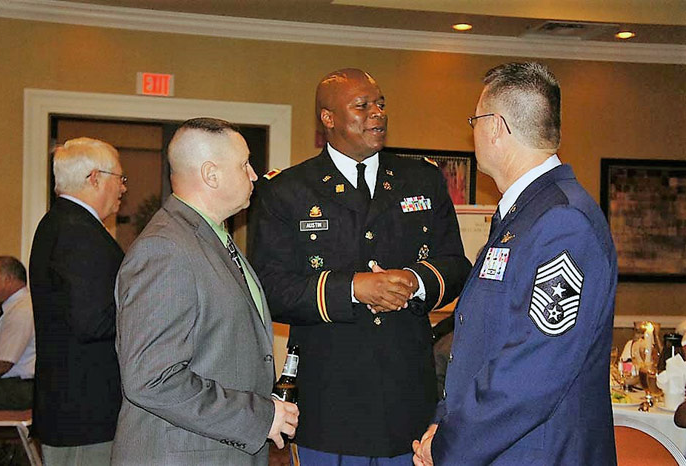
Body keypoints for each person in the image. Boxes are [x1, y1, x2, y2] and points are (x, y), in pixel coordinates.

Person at [250, 68, 471, 465]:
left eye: (380, 104)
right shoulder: (286, 191)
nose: (377, 113)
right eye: (362, 105)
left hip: (407, 398)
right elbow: (270, 288)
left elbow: (456, 265)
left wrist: (415, 280)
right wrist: (353, 289)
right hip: (330, 403)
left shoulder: (421, 179)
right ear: (328, 118)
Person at [412, 62, 618, 465]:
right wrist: (444, 423)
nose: (473, 131)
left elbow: (534, 370)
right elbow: (483, 341)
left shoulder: (563, 222)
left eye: (474, 120)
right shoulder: (524, 214)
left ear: (494, 127)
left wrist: (451, 444)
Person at [113, 118, 298, 465]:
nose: (254, 175)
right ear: (211, 174)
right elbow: (151, 379)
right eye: (244, 164)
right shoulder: (166, 249)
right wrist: (258, 415)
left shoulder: (210, 238)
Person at [29, 137, 127, 465]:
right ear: (94, 178)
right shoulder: (79, 232)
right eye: (120, 178)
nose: (123, 188)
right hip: (85, 412)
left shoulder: (60, 223)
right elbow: (92, 321)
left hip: (72, 406)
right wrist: (147, 310)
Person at [0, 256, 36, 465]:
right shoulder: (9, 310)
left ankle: (1, 455)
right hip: (9, 385)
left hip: (20, 388)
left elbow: (1, 364)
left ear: (9, 279)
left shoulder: (22, 311)